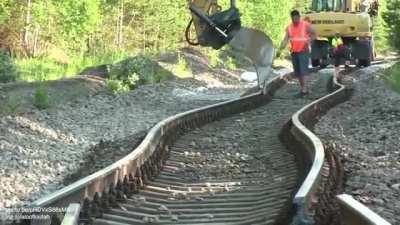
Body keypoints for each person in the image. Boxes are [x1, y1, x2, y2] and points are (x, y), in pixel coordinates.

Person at [277, 10, 316, 97]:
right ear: (291, 18)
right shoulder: (289, 28)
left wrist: (308, 41)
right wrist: (280, 50)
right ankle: (304, 88)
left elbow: (314, 34)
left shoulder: (305, 25)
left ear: (299, 17)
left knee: (303, 71)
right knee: (297, 72)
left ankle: (304, 90)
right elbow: (285, 39)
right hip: (294, 51)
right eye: (293, 18)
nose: (295, 20)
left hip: (303, 50)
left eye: (297, 18)